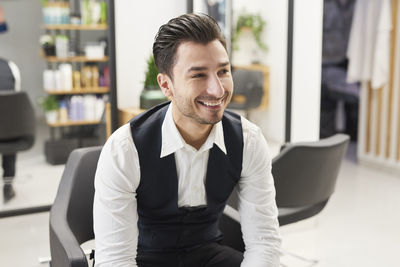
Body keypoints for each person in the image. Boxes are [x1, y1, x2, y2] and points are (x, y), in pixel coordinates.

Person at [94, 13, 281, 267]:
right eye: (198, 75)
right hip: (142, 259)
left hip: (209, 253)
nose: (217, 90)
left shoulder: (249, 140)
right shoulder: (124, 149)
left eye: (223, 71)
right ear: (166, 85)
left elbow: (264, 243)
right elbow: (116, 261)